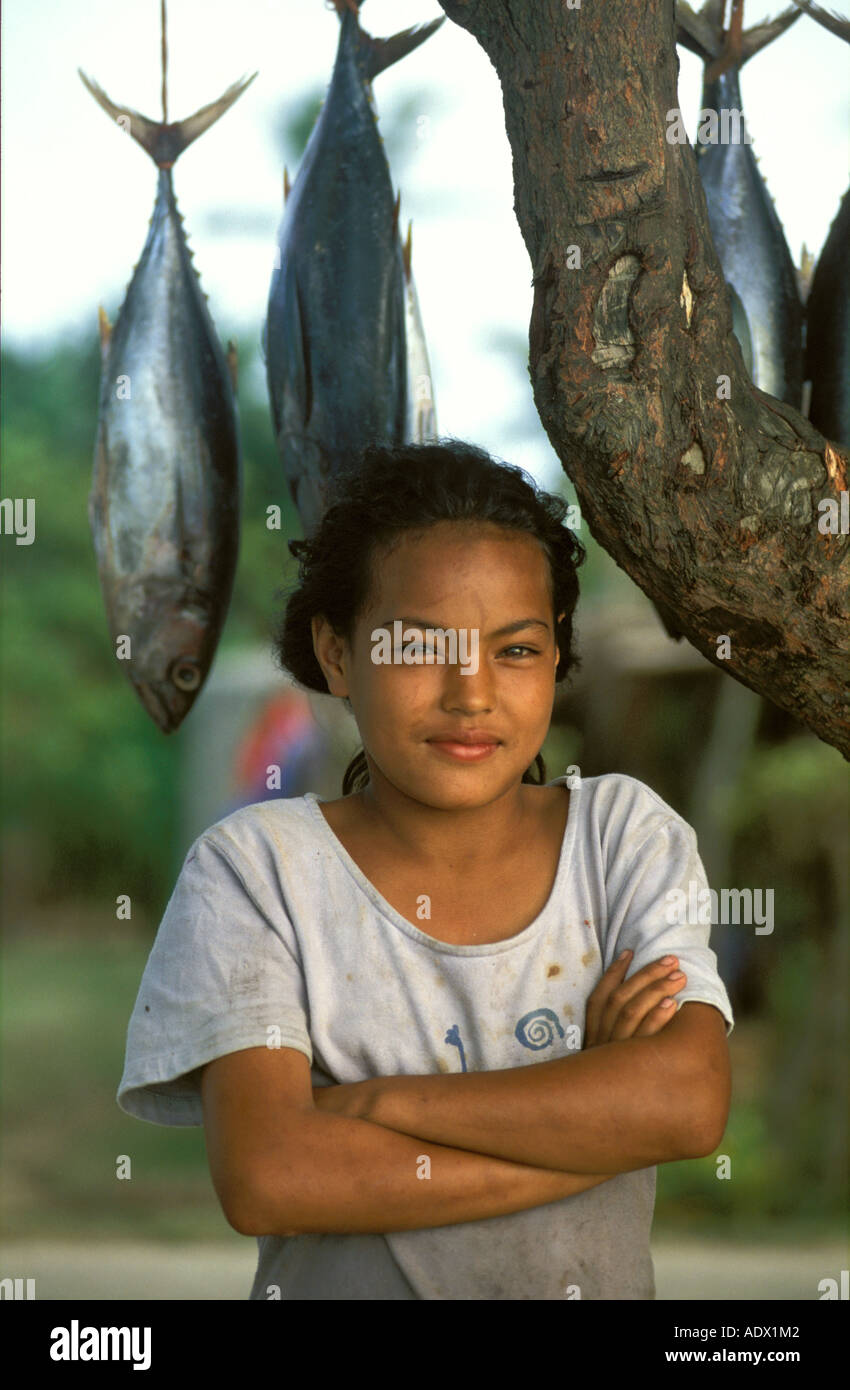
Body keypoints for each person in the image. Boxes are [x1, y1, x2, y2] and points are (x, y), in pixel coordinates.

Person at [117, 438, 733, 1300]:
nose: (470, 692)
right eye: (416, 648)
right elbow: (269, 1178)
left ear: (557, 653)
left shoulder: (622, 839)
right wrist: (588, 1121)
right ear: (337, 655)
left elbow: (686, 1105)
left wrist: (376, 1104)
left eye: (516, 650)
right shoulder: (259, 871)